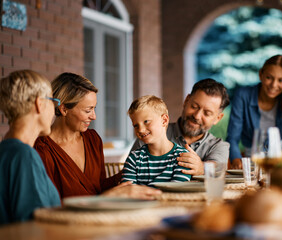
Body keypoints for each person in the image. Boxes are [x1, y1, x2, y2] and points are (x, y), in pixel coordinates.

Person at [34, 73, 161, 199]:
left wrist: (131, 172)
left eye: (94, 109)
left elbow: (98, 187)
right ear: (64, 109)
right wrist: (106, 197)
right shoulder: (42, 150)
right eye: (88, 110)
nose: (94, 116)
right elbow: (50, 206)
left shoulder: (93, 139)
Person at [226, 55, 282, 169]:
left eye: (281, 80)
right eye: (269, 77)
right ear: (261, 74)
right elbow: (232, 137)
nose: (274, 85)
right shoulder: (243, 95)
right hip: (254, 157)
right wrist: (236, 159)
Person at [131, 78, 230, 175]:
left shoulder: (218, 146)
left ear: (218, 118)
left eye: (207, 113)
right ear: (186, 101)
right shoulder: (149, 133)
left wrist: (202, 168)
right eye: (194, 107)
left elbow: (217, 170)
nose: (197, 116)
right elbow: (131, 170)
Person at [0, 70, 61, 224]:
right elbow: (36, 224)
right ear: (39, 104)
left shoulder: (6, 151)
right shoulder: (24, 155)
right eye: (53, 102)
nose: (55, 111)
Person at [122, 95, 191, 185]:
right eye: (136, 125)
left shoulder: (182, 157)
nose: (141, 130)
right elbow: (128, 191)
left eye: (146, 121)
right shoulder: (133, 158)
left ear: (164, 120)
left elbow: (177, 190)